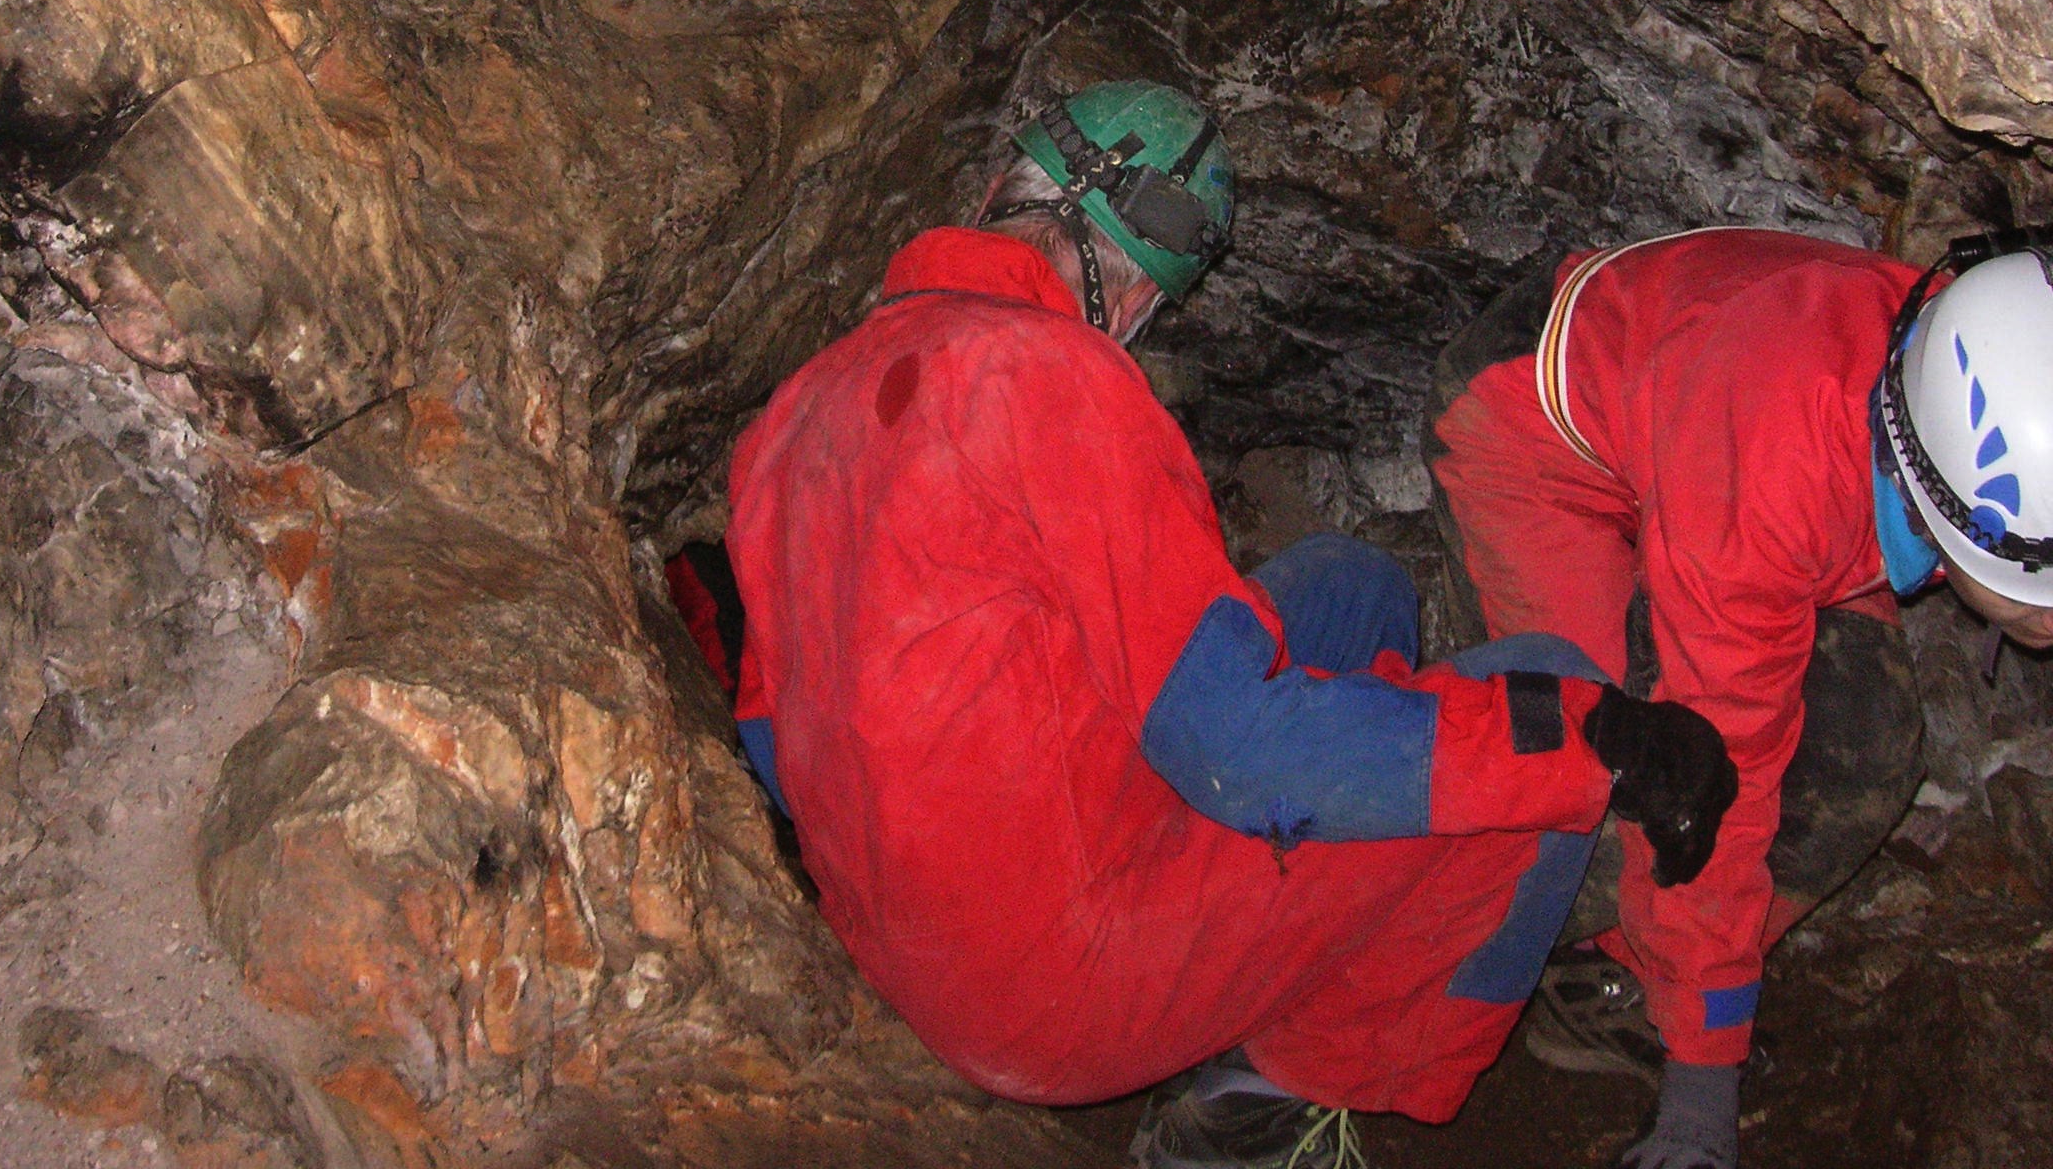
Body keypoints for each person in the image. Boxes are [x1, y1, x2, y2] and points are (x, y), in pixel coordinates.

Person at [723, 81, 1737, 1168]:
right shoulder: (1054, 376)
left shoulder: (796, 412)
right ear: (1128, 293)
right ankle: (1269, 1104)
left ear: (994, 196)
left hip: (903, 939)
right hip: (1055, 996)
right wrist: (1588, 740)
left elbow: (775, 748)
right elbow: (1237, 749)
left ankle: (1282, 943)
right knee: (1539, 705)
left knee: (1350, 590)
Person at [1426, 226, 2053, 1169]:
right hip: (1540, 435)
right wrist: (1704, 1080)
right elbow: (1712, 788)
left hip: (1713, 431)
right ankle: (1406, 961)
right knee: (1595, 782)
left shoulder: (1986, 363)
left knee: (1866, 742)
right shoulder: (1779, 480)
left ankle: (1645, 969)